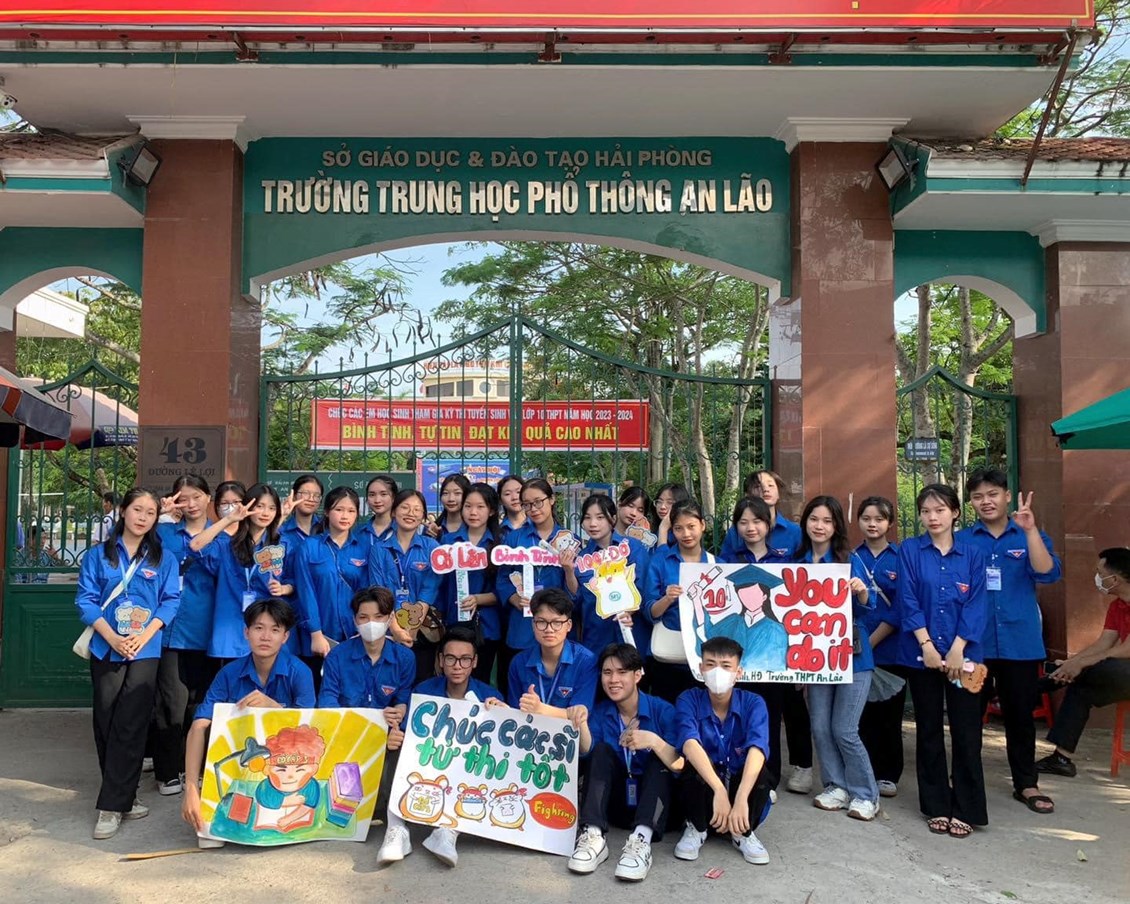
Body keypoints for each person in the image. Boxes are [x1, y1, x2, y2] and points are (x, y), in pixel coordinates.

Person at [75, 487, 180, 840]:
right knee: (106, 721)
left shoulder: (163, 558)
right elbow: (86, 601)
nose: (143, 517)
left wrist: (144, 635)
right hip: (107, 647)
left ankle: (111, 806)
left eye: (150, 513)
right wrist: (113, 638)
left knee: (132, 724)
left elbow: (170, 601)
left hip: (145, 650)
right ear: (123, 511)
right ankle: (125, 795)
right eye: (137, 510)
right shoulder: (98, 555)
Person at [957, 469, 1062, 815]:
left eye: (992, 494)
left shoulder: (1029, 534)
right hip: (974, 645)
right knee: (968, 717)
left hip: (1019, 643)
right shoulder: (963, 540)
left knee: (1020, 717)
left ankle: (1026, 783)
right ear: (970, 503)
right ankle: (966, 783)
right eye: (977, 496)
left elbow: (1047, 572)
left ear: (1006, 496)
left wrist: (1030, 530)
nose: (985, 502)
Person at [180, 599, 316, 845]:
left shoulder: (300, 672)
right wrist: (191, 787)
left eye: (275, 630)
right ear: (246, 632)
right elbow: (199, 725)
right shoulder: (228, 673)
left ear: (285, 637)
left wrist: (275, 708)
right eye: (258, 628)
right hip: (240, 761)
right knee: (206, 728)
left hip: (285, 765)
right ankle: (212, 806)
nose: (265, 636)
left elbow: (311, 727)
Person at [897, 483, 988, 838]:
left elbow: (977, 603)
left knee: (967, 732)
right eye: (926, 511)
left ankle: (967, 807)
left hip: (966, 657)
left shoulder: (973, 554)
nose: (932, 517)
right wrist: (928, 645)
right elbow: (907, 599)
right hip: (922, 655)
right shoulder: (910, 550)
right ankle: (936, 804)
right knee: (929, 730)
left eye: (939, 510)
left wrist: (957, 648)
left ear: (955, 513)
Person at [795, 495, 879, 820]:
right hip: (815, 659)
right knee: (819, 727)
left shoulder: (849, 560)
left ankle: (866, 794)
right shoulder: (797, 563)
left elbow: (869, 608)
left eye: (827, 521)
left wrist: (861, 591)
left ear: (836, 526)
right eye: (814, 519)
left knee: (845, 729)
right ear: (805, 522)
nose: (819, 526)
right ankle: (835, 786)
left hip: (852, 657)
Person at [569, 643, 682, 881]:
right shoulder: (601, 711)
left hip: (658, 808)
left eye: (622, 672)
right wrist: (582, 725)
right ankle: (593, 835)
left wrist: (654, 741)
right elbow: (588, 753)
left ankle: (641, 841)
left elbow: (679, 764)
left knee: (658, 759)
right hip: (618, 805)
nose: (613, 680)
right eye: (607, 672)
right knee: (601, 751)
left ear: (638, 675)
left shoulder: (663, 710)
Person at [322, 586, 417, 864]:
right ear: (355, 620)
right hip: (346, 737)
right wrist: (371, 726)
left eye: (378, 617)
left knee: (402, 744)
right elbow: (327, 704)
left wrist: (399, 714)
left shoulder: (404, 658)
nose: (370, 623)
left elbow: (404, 699)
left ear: (389, 619)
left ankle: (397, 827)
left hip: (388, 739)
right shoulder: (337, 656)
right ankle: (345, 815)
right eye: (363, 617)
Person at [397, 625, 505, 867]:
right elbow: (408, 734)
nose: (457, 666)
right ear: (440, 660)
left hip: (468, 773)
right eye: (451, 658)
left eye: (465, 659)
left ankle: (448, 831)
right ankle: (397, 830)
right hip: (431, 768)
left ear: (475, 662)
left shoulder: (490, 696)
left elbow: (501, 750)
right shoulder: (424, 692)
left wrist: (502, 714)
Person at [673, 636, 774, 865]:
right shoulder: (688, 699)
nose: (717, 672)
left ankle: (743, 832)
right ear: (701, 669)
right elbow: (689, 743)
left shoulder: (754, 702)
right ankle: (697, 827)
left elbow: (758, 748)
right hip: (707, 788)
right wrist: (719, 790)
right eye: (710, 664)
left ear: (738, 672)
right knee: (690, 765)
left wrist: (741, 798)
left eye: (726, 666)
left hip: (739, 790)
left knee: (760, 772)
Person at [151, 475, 218, 797]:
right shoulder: (164, 533)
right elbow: (123, 544)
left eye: (196, 497)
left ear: (208, 498)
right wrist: (160, 515)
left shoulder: (222, 536)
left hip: (207, 631)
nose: (191, 504)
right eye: (183, 498)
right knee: (170, 704)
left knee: (200, 703)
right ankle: (167, 771)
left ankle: (196, 767)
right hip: (168, 630)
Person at [1037, 547, 1130, 778]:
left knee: (1100, 668)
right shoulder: (1117, 606)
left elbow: (1126, 649)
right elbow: (1103, 643)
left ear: (1114, 579)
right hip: (1121, 672)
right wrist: (1073, 662)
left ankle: (1039, 685)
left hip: (1124, 669)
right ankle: (1061, 759)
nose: (1096, 577)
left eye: (1100, 573)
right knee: (1081, 687)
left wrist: (1081, 665)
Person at [190, 483, 300, 661]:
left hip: (270, 627)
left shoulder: (283, 544)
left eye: (272, 508)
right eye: (260, 506)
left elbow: (296, 581)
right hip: (232, 627)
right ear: (248, 506)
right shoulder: (228, 544)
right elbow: (195, 545)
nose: (265, 513)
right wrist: (229, 519)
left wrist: (284, 588)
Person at [495, 478, 575, 671]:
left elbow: (575, 590)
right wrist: (514, 598)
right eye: (527, 504)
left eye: (538, 502)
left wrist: (568, 569)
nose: (534, 509)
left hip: (556, 626)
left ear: (552, 499)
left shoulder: (568, 539)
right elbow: (502, 579)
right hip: (522, 625)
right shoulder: (514, 538)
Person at [853, 496, 904, 799]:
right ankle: (864, 770)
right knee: (860, 714)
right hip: (856, 648)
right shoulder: (851, 557)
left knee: (889, 715)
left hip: (888, 648)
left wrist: (871, 643)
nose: (872, 524)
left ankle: (888, 773)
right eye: (867, 518)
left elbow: (900, 607)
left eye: (879, 519)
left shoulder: (900, 558)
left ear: (890, 523)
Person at [643, 499, 715, 702]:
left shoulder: (716, 565)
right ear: (672, 530)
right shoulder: (661, 561)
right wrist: (667, 599)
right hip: (668, 658)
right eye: (678, 528)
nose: (686, 534)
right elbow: (649, 612)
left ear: (702, 525)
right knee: (667, 713)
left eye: (691, 526)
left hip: (705, 656)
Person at [368, 489, 443, 681]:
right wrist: (396, 630)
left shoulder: (432, 548)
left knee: (421, 683)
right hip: (387, 631)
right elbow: (378, 591)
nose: (411, 513)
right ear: (393, 511)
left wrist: (412, 628)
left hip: (422, 631)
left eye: (417, 509)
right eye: (405, 507)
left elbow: (430, 589)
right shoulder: (379, 550)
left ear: (423, 516)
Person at [436, 483, 502, 687]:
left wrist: (479, 599)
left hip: (486, 627)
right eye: (468, 506)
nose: (473, 512)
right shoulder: (447, 541)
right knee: (454, 678)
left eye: (480, 507)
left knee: (480, 680)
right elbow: (440, 584)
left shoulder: (500, 544)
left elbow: (506, 587)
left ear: (491, 510)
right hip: (453, 622)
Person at [294, 486, 371, 663]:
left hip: (354, 635)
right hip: (318, 637)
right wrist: (315, 633)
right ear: (327, 512)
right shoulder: (309, 546)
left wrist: (362, 629)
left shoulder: (364, 548)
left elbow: (366, 593)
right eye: (339, 509)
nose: (345, 516)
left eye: (351, 511)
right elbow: (306, 592)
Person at [573, 494, 652, 656]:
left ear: (613, 519)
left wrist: (629, 611)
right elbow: (576, 601)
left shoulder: (633, 547)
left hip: (632, 635)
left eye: (600, 517)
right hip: (596, 639)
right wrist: (568, 570)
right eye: (587, 518)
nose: (593, 523)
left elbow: (644, 587)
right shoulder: (582, 558)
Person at [506, 588, 598, 716]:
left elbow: (580, 714)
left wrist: (540, 709)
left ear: (569, 625)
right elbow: (515, 712)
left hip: (570, 729)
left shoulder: (586, 661)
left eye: (557, 622)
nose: (549, 629)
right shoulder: (519, 663)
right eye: (541, 622)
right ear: (533, 625)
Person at [719, 471, 802, 562]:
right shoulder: (735, 533)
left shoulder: (795, 532)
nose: (765, 490)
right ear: (747, 495)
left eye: (770, 485)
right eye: (757, 486)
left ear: (778, 493)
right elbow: (725, 565)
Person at [279, 473, 324, 543]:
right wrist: (281, 516)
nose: (311, 499)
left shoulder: (327, 527)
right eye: (305, 493)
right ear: (294, 496)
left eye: (316, 495)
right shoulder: (282, 530)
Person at [427, 472, 469, 539]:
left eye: (457, 493)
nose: (451, 499)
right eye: (446, 493)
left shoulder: (474, 528)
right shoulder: (431, 529)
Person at [362, 474, 398, 546]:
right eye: (372, 495)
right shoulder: (358, 532)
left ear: (393, 498)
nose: (377, 500)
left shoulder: (403, 531)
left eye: (383, 494)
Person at [653, 483, 690, 548]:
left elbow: (662, 555)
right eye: (659, 501)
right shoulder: (651, 531)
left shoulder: (686, 535)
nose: (662, 507)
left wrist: (663, 529)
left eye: (670, 502)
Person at [496, 474, 526, 541]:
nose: (514, 497)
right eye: (507, 494)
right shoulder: (498, 533)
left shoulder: (537, 526)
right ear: (500, 500)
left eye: (518, 492)